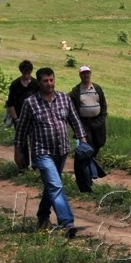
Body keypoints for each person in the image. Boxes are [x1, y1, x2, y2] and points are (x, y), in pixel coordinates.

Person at [13, 67, 90, 236]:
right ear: (38, 82)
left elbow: (75, 121)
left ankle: (42, 217)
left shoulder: (64, 98)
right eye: (45, 81)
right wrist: (18, 151)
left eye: (51, 80)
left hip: (62, 150)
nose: (49, 84)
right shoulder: (30, 103)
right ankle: (67, 223)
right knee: (55, 185)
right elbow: (22, 129)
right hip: (42, 151)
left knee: (51, 186)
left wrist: (83, 141)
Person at [68, 65, 108, 154]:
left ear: (90, 74)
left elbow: (103, 103)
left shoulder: (97, 88)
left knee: (100, 142)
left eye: (87, 73)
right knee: (88, 145)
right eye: (83, 73)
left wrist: (103, 117)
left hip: (98, 120)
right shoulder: (76, 90)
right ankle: (87, 163)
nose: (85, 75)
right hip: (84, 122)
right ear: (80, 75)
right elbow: (69, 102)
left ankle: (91, 159)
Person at [5, 60, 39, 127]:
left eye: (28, 73)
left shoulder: (36, 84)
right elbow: (11, 103)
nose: (26, 75)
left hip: (34, 117)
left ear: (31, 71)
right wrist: (16, 119)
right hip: (19, 116)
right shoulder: (15, 84)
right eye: (24, 73)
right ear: (21, 71)